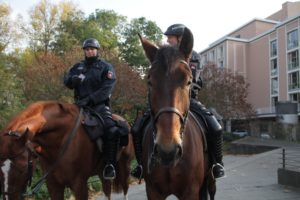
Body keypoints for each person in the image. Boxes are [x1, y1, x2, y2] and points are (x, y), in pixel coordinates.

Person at [131, 24, 225, 179]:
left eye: (170, 38)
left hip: (188, 100)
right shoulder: (162, 57)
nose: (167, 41)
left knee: (216, 127)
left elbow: (190, 80)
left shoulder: (192, 56)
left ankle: (217, 163)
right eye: (167, 38)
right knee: (136, 128)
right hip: (164, 102)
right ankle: (141, 164)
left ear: (181, 39)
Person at [64, 38, 119, 180]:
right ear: (84, 51)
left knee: (111, 129)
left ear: (97, 50)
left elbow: (107, 88)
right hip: (78, 105)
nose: (90, 51)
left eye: (92, 49)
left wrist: (90, 99)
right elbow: (67, 80)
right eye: (87, 49)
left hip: (99, 106)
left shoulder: (106, 67)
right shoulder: (77, 67)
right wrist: (71, 81)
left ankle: (109, 164)